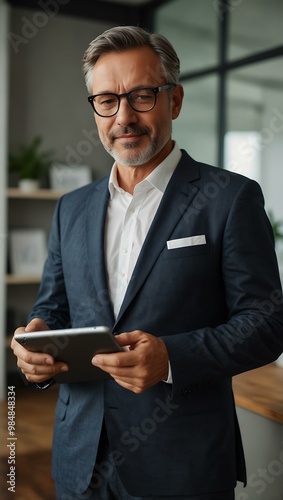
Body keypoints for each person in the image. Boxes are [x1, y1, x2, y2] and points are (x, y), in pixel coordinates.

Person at [11, 25, 283, 500]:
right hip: (81, 460)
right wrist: (36, 338)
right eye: (107, 100)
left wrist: (172, 358)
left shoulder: (231, 198)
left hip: (183, 465)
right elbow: (54, 307)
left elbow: (267, 322)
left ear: (174, 101)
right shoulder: (70, 208)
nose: (124, 117)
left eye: (141, 96)